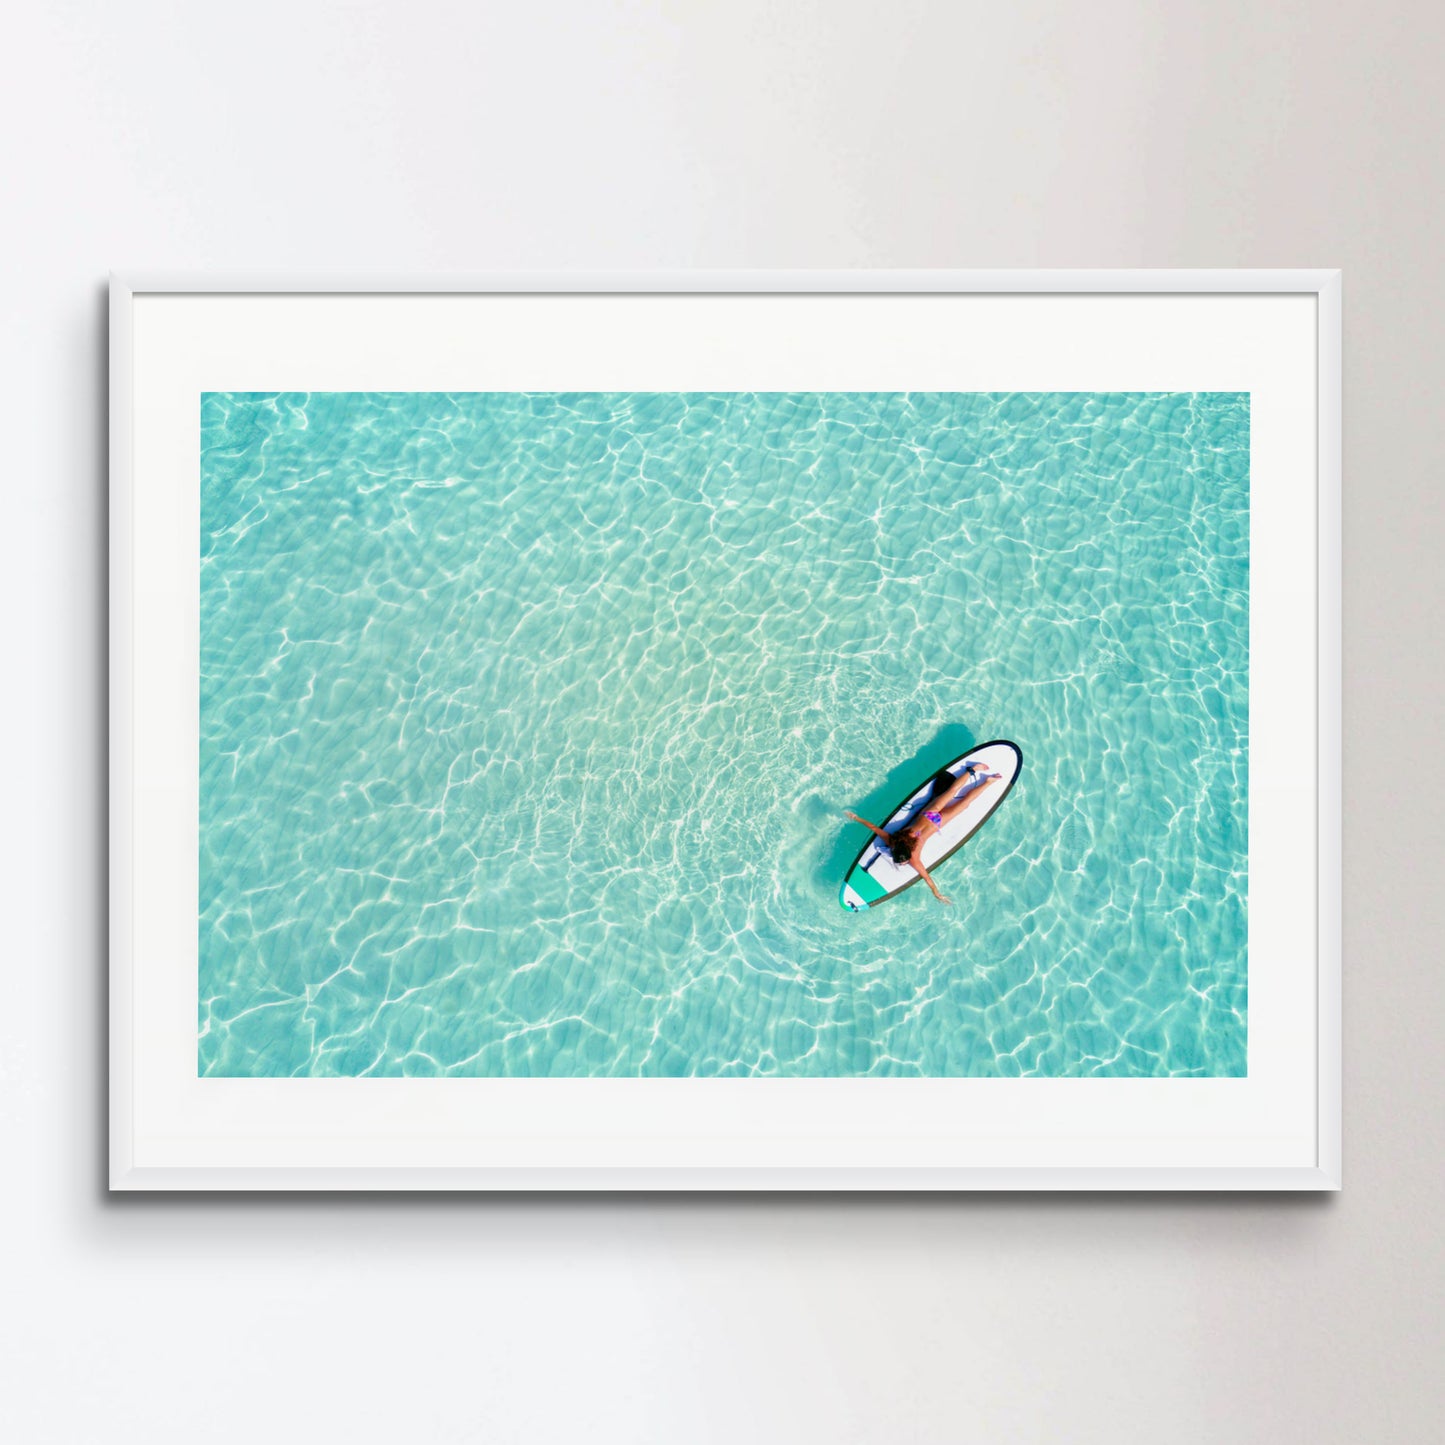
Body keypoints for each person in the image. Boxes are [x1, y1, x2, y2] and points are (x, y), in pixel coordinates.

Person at [843, 763, 1002, 906]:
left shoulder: (914, 857)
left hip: (937, 821)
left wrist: (937, 893)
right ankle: (973, 770)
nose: (903, 863)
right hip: (929, 814)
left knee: (965, 803)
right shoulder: (893, 841)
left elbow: (926, 878)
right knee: (953, 792)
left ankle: (987, 781)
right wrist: (855, 817)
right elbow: (873, 827)